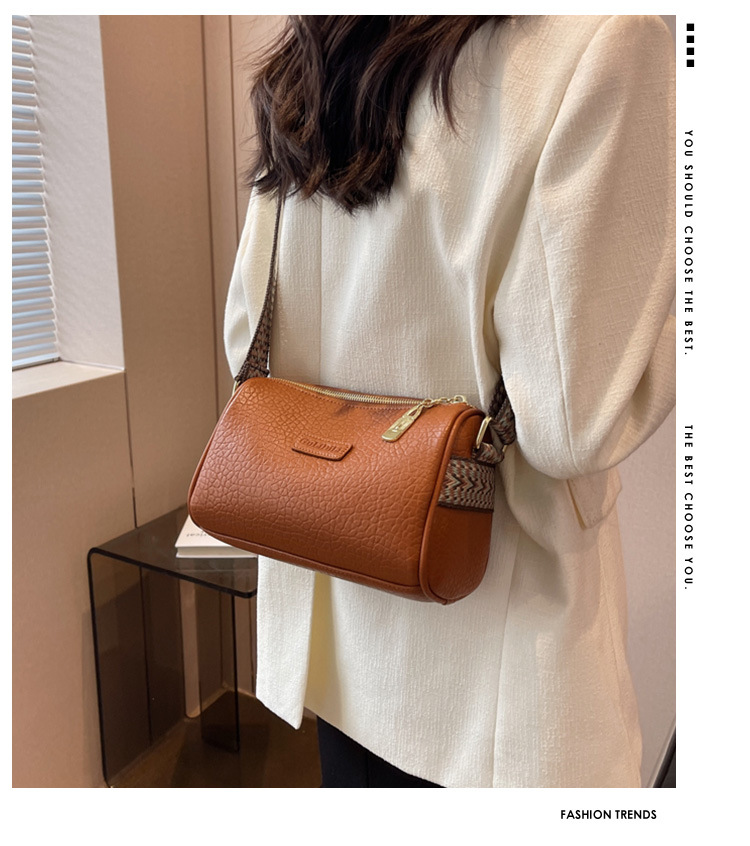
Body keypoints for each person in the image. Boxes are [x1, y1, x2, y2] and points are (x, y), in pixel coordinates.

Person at [223, 15, 675, 788]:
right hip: (494, 683)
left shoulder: (314, 54)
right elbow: (570, 423)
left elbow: (246, 341)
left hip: (338, 639)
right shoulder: (603, 40)